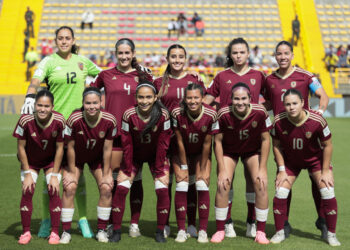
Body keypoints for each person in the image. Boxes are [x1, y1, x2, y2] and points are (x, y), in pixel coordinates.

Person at [20, 26, 101, 239]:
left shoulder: (83, 61)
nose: (64, 41)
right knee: (52, 177)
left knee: (77, 176)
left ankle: (82, 219)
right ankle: (47, 220)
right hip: (54, 127)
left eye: (67, 38)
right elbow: (35, 81)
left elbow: (104, 76)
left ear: (73, 39)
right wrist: (30, 96)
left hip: (78, 127)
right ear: (56, 40)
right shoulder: (48, 61)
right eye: (60, 38)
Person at [263, 40, 329, 240]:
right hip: (283, 137)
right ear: (275, 56)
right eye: (279, 54)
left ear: (292, 55)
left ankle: (323, 220)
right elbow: (266, 102)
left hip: (307, 135)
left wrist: (320, 112)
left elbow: (322, 96)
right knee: (283, 180)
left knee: (319, 181)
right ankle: (283, 223)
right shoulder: (269, 79)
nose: (282, 57)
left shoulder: (306, 76)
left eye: (286, 53)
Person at [204, 37, 266, 239]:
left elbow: (273, 99)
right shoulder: (221, 76)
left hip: (252, 138)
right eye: (235, 52)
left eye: (242, 52)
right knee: (224, 181)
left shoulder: (259, 75)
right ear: (230, 55)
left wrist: (262, 113)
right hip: (228, 134)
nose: (238, 55)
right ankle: (226, 223)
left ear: (248, 54)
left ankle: (251, 222)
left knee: (254, 181)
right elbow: (207, 99)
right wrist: (211, 114)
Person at [92, 38, 153, 238]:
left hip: (137, 135)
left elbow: (158, 91)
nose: (124, 56)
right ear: (115, 54)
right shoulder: (105, 75)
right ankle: (111, 223)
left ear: (133, 54)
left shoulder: (142, 75)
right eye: (121, 53)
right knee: (115, 181)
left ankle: (134, 224)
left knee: (136, 180)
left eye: (128, 53)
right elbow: (90, 93)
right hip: (113, 136)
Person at [270, 89, 340, 246]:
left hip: (315, 161)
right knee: (280, 191)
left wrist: (325, 171)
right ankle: (279, 232)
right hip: (290, 162)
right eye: (287, 104)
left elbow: (327, 146)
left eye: (295, 103)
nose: (291, 107)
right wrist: (281, 170)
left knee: (327, 190)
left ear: (303, 103)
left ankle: (331, 234)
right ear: (283, 105)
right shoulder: (278, 121)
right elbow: (276, 146)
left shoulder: (318, 120)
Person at [154, 44, 206, 238]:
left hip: (189, 138)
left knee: (190, 181)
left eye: (180, 57)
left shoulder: (194, 79)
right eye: (173, 56)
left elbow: (205, 100)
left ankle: (191, 223)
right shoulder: (158, 82)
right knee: (166, 182)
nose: (177, 60)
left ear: (186, 58)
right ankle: (165, 223)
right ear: (167, 59)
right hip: (165, 138)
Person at [109, 82, 172, 243]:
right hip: (134, 157)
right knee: (122, 187)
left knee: (162, 189)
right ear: (136, 98)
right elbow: (126, 143)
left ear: (155, 97)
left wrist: (159, 171)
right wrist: (127, 169)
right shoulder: (128, 114)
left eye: (149, 97)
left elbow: (163, 144)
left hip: (155, 157)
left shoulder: (163, 115)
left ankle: (160, 231)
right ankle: (116, 230)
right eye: (141, 97)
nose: (144, 101)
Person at [210, 83, 271, 244]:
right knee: (223, 183)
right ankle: (220, 229)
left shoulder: (260, 112)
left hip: (252, 151)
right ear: (231, 99)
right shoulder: (222, 113)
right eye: (236, 99)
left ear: (251, 98)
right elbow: (217, 142)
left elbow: (266, 140)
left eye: (244, 98)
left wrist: (263, 168)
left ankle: (259, 230)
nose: (240, 102)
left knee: (261, 183)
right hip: (229, 152)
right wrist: (222, 169)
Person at [59, 87, 116, 243]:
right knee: (69, 187)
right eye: (88, 103)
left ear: (101, 102)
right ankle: (66, 232)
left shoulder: (110, 120)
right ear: (83, 103)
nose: (92, 106)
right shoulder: (74, 119)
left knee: (106, 187)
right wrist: (70, 171)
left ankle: (102, 230)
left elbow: (107, 148)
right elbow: (69, 146)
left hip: (96, 158)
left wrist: (106, 173)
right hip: (75, 159)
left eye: (95, 103)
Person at [13, 90, 65, 245]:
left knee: (53, 189)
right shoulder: (25, 120)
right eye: (39, 105)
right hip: (31, 161)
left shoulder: (59, 121)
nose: (42, 109)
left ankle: (55, 232)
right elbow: (21, 148)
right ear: (34, 105)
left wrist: (55, 175)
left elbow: (60, 148)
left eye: (46, 106)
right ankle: (26, 232)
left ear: (52, 107)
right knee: (27, 190)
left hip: (50, 161)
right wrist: (27, 172)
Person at [171, 83, 218, 243]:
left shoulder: (211, 113)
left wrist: (203, 168)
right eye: (189, 98)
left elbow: (207, 143)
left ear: (202, 98)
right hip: (180, 152)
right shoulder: (177, 112)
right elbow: (179, 141)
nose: (192, 101)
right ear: (184, 98)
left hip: (200, 153)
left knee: (202, 183)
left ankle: (203, 230)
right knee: (183, 184)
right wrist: (184, 166)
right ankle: (182, 230)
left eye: (196, 97)